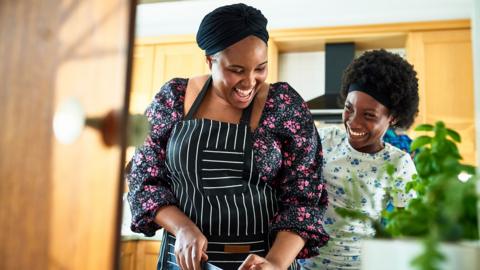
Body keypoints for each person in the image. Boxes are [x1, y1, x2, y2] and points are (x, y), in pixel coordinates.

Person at [126, 3, 329, 270]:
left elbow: (304, 197)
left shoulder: (284, 105)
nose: (249, 83)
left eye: (260, 68)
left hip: (264, 261)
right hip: (184, 262)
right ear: (210, 61)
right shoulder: (173, 98)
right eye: (236, 70)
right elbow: (144, 180)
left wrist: (276, 263)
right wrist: (183, 227)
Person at [299, 49, 419, 270]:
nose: (353, 122)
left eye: (369, 115)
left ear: (392, 117)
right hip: (306, 265)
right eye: (349, 109)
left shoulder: (398, 163)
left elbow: (410, 228)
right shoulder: (322, 139)